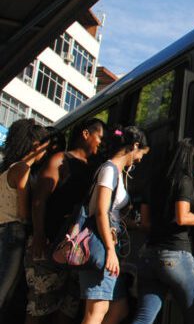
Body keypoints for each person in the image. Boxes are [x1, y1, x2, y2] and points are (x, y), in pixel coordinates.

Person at [26, 119, 104, 323]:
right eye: (99, 137)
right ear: (86, 134)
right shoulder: (60, 160)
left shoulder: (95, 168)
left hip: (76, 250)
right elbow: (39, 201)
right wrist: (39, 235)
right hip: (50, 243)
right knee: (40, 308)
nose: (101, 143)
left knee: (67, 310)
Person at [132, 138, 194, 324]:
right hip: (175, 256)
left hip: (149, 254)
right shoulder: (184, 181)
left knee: (144, 316)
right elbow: (182, 217)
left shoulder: (155, 181)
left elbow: (145, 223)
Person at [80, 125, 148, 324]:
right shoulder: (109, 170)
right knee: (96, 312)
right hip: (101, 246)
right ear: (135, 146)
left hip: (108, 245)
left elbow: (110, 212)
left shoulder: (115, 171)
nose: (141, 159)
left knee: (119, 308)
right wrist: (110, 249)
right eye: (142, 153)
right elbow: (101, 211)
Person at [0, 120, 49, 314]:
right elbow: (22, 212)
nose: (45, 154)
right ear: (36, 146)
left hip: (3, 230)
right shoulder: (23, 169)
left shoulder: (7, 169)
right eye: (45, 148)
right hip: (13, 232)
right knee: (4, 289)